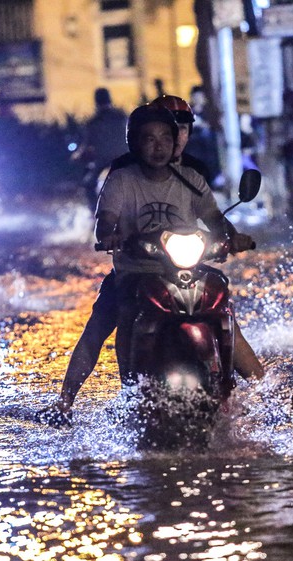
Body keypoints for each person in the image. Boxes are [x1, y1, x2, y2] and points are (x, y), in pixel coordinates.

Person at [39, 103, 262, 422]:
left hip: (186, 270)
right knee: (99, 326)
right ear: (135, 142)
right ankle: (66, 400)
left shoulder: (191, 178)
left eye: (166, 138)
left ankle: (263, 394)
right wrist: (111, 234)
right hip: (135, 273)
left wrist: (234, 237)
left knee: (222, 307)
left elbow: (214, 218)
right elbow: (106, 219)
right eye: (149, 139)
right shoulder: (121, 178)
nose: (158, 146)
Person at [79, 88, 128, 211]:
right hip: (125, 160)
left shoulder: (93, 122)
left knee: (88, 184)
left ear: (96, 102)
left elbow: (87, 144)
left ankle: (95, 213)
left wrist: (78, 155)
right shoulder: (122, 117)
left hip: (103, 161)